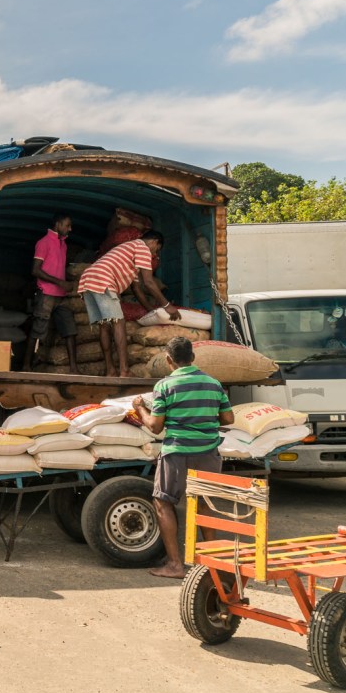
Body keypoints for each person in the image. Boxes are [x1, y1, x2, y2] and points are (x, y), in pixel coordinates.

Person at [133, 336, 233, 578]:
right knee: (203, 503)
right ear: (193, 358)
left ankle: (176, 565)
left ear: (169, 360)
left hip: (177, 452)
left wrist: (140, 408)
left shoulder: (165, 386)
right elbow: (228, 420)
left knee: (164, 503)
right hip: (208, 452)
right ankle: (210, 564)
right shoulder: (213, 384)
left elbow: (155, 426)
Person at [77, 231, 179, 377]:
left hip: (88, 279)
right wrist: (167, 306)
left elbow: (137, 289)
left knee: (104, 326)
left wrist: (151, 311)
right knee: (119, 323)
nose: (155, 255)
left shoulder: (129, 249)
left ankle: (110, 370)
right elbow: (149, 283)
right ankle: (124, 370)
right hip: (103, 278)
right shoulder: (143, 248)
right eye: (157, 250)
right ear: (155, 242)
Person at [22, 213, 79, 373]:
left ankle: (74, 368)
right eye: (67, 225)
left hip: (61, 296)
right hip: (46, 293)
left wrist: (65, 283)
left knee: (70, 329)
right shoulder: (44, 243)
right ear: (58, 224)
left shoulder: (64, 245)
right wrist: (59, 282)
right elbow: (35, 270)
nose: (70, 229)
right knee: (37, 330)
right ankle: (26, 365)